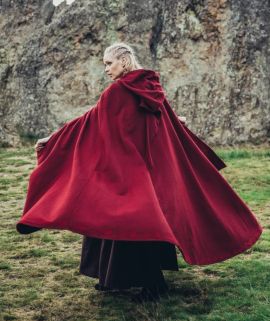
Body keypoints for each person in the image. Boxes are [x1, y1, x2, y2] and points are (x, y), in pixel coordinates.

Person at [17, 42, 263, 304]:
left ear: (124, 61)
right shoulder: (151, 87)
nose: (106, 69)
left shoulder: (119, 92)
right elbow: (148, 118)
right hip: (147, 170)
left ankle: (154, 286)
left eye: (108, 63)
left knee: (131, 224)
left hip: (130, 172)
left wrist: (53, 139)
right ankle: (111, 278)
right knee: (119, 218)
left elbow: (89, 122)